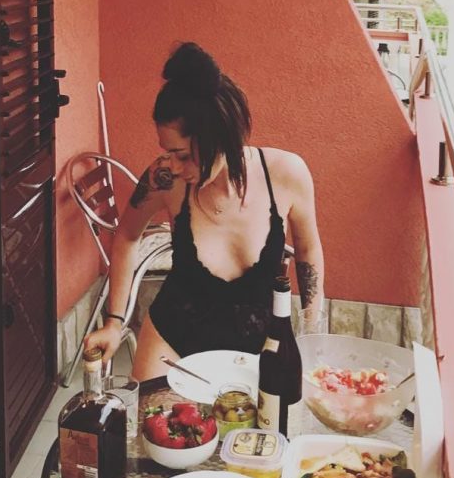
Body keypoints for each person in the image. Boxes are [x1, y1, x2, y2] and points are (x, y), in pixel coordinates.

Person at [85, 42, 324, 381]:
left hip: (259, 352)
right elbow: (126, 235)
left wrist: (312, 331)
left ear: (218, 138)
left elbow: (307, 249)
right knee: (153, 417)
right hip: (172, 345)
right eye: (168, 153)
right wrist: (114, 322)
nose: (173, 166)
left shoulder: (286, 174)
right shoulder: (164, 180)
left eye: (183, 155)